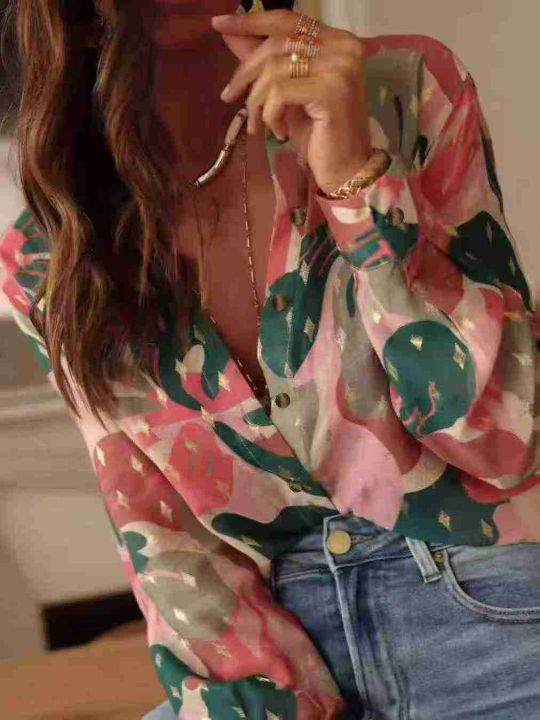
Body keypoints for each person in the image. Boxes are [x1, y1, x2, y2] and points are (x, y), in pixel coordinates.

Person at [1, 0, 539, 718]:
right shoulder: (48, 251)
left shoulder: (400, 87)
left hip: (493, 607)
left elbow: (505, 438)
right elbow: (172, 549)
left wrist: (356, 183)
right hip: (289, 646)